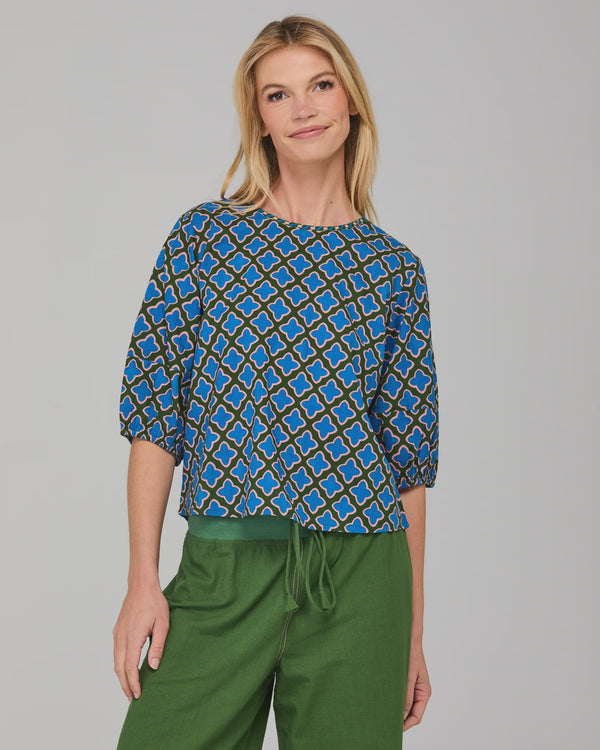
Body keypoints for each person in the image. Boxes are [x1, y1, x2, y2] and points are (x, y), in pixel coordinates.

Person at [113, 14, 440, 750]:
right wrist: (142, 580)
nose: (304, 109)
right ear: (258, 118)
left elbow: (409, 465)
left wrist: (412, 635)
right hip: (225, 567)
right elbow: (155, 417)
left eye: (321, 85)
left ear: (350, 99)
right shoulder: (205, 238)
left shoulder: (394, 271)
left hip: (360, 577)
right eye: (278, 94)